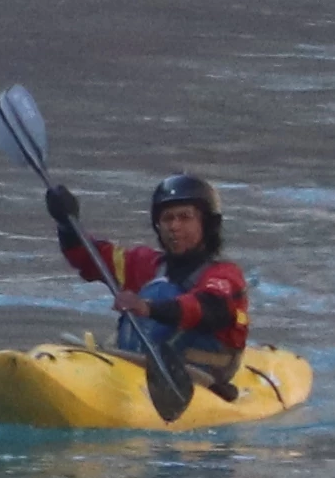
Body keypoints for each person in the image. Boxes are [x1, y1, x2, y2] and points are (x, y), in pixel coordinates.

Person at [51, 169, 252, 420]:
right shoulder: (145, 264)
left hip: (199, 375)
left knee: (161, 290)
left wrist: (150, 308)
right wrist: (67, 223)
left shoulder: (225, 274)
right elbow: (89, 257)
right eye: (167, 219)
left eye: (185, 217)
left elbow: (209, 309)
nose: (174, 227)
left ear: (207, 224)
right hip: (136, 365)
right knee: (159, 285)